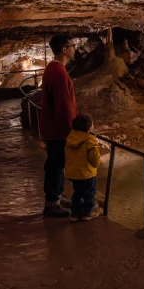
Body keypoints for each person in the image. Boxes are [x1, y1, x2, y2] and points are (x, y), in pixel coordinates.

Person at [40, 35, 78, 217]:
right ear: (64, 50)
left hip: (53, 128)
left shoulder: (53, 69)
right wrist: (71, 132)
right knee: (56, 165)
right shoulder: (59, 74)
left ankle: (58, 196)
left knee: (57, 164)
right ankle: (52, 204)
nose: (74, 49)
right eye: (72, 46)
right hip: (58, 131)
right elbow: (63, 106)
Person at [65, 114, 102, 221]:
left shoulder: (71, 137)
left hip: (73, 173)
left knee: (77, 193)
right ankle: (87, 213)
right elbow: (95, 160)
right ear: (88, 127)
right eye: (92, 124)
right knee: (89, 194)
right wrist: (97, 163)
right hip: (87, 174)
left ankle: (75, 214)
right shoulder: (90, 140)